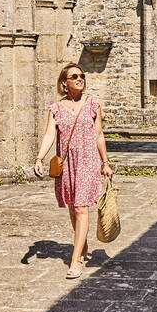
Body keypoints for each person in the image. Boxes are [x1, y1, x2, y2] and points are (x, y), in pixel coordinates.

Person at [33, 63, 112, 279]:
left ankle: (76, 259)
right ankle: (82, 242)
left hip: (88, 161)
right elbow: (50, 134)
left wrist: (105, 162)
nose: (79, 79)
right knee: (71, 206)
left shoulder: (93, 104)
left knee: (81, 208)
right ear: (64, 83)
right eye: (74, 76)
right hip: (67, 163)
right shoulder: (56, 109)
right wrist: (39, 158)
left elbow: (99, 135)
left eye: (82, 76)